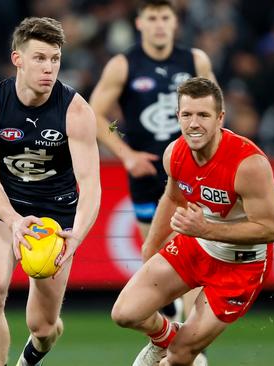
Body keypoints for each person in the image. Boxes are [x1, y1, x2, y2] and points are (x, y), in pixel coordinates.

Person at [111, 77, 274, 366]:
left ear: (220, 119)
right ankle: (168, 336)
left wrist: (206, 229)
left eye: (203, 115)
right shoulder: (174, 152)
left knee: (179, 358)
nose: (194, 124)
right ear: (177, 116)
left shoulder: (249, 164)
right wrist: (150, 245)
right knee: (125, 314)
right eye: (187, 115)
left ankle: (179, 348)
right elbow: (174, 198)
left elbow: (269, 228)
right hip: (197, 246)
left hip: (241, 266)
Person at [0, 17, 101, 366]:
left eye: (55, 59)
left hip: (56, 215)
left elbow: (90, 187)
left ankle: (30, 358)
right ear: (18, 59)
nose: (49, 67)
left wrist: (77, 237)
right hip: (4, 208)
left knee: (42, 327)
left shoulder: (76, 111)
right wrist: (12, 220)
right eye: (40, 58)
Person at [89, 0, 216, 340]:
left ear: (175, 23)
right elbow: (96, 114)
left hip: (190, 173)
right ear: (139, 23)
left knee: (191, 260)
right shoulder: (123, 64)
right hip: (146, 175)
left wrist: (209, 155)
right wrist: (125, 153)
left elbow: (217, 110)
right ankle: (178, 335)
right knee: (159, 260)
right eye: (152, 18)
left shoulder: (195, 60)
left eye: (165, 18)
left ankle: (192, 348)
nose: (159, 24)